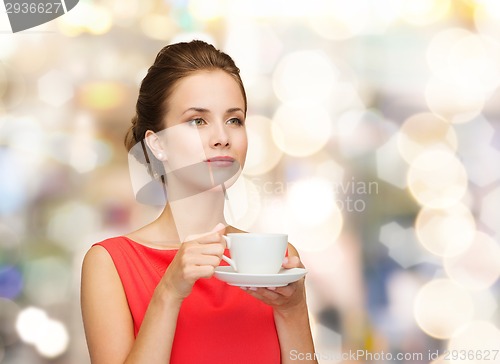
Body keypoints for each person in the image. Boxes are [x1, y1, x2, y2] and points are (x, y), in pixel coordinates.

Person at [81, 40, 317, 364]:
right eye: (198, 121)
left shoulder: (276, 263)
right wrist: (169, 292)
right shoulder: (110, 264)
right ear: (156, 144)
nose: (222, 137)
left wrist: (293, 309)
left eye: (234, 119)